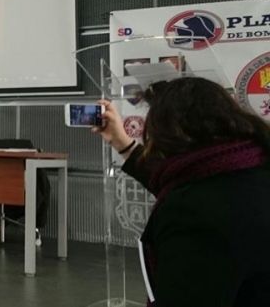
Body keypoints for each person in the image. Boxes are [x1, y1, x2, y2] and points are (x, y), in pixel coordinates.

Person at [93, 77, 270, 307]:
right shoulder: (248, 167)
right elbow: (174, 180)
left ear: (168, 134)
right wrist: (122, 143)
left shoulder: (194, 211)